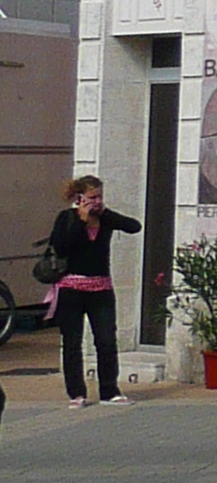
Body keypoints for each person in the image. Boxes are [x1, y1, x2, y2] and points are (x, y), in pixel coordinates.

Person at [43, 174, 139, 408]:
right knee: (73, 342)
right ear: (79, 198)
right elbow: (62, 247)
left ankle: (109, 390)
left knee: (106, 340)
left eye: (99, 197)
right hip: (71, 289)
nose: (96, 201)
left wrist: (104, 212)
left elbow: (134, 227)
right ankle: (76, 393)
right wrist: (81, 220)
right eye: (92, 197)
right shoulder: (66, 218)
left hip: (101, 289)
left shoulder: (105, 219)